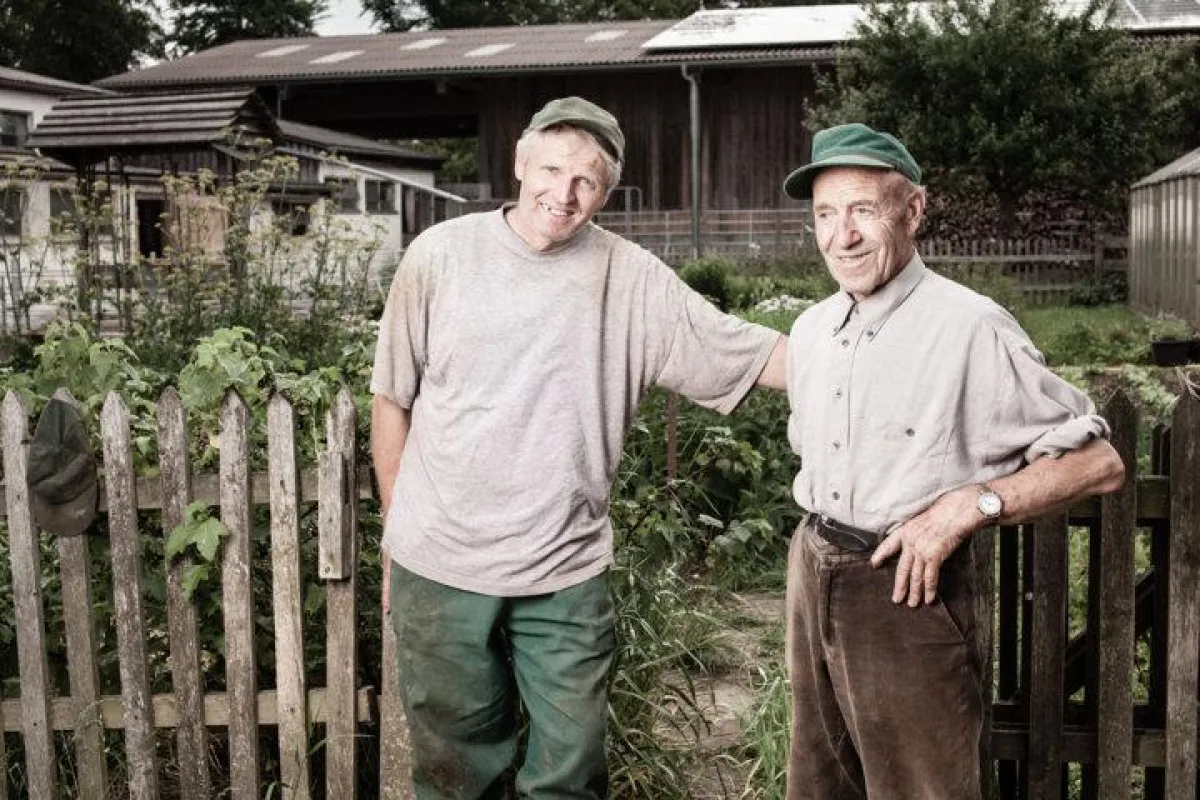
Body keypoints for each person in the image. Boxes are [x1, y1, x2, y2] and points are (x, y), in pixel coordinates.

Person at [370, 96, 787, 799]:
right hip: (439, 559)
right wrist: (395, 535)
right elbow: (392, 401)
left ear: (607, 192)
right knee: (454, 772)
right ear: (520, 163)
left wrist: (875, 349)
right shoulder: (439, 257)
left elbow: (748, 352)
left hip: (565, 566)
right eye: (552, 168)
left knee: (570, 768)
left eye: (586, 181)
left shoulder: (631, 279)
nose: (563, 194)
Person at [779, 123, 1125, 799]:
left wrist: (972, 505)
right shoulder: (812, 328)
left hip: (906, 587)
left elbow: (1100, 464)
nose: (840, 235)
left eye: (863, 211)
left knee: (922, 789)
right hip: (812, 567)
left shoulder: (969, 327)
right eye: (825, 214)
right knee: (819, 782)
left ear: (912, 211)